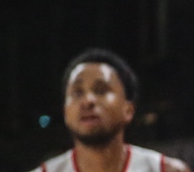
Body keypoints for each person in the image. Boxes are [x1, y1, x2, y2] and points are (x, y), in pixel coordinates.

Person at [32, 49, 187, 172]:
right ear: (65, 112)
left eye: (101, 90)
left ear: (128, 110)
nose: (87, 101)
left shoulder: (166, 170)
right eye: (77, 92)